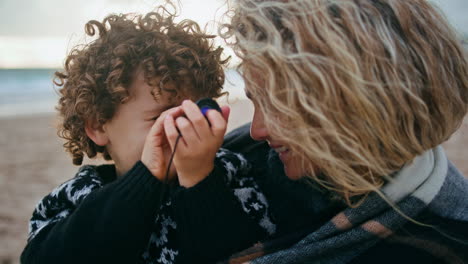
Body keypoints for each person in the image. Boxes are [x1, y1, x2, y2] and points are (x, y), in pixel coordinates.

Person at [20, 9, 281, 264]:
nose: (181, 129)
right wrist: (145, 178)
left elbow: (240, 253)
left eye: (194, 114)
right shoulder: (78, 195)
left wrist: (199, 178)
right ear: (98, 126)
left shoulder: (232, 173)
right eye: (164, 118)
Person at [219, 0, 468, 263]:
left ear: (367, 104)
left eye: (280, 103)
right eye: (255, 99)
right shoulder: (241, 158)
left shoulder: (445, 244)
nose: (256, 130)